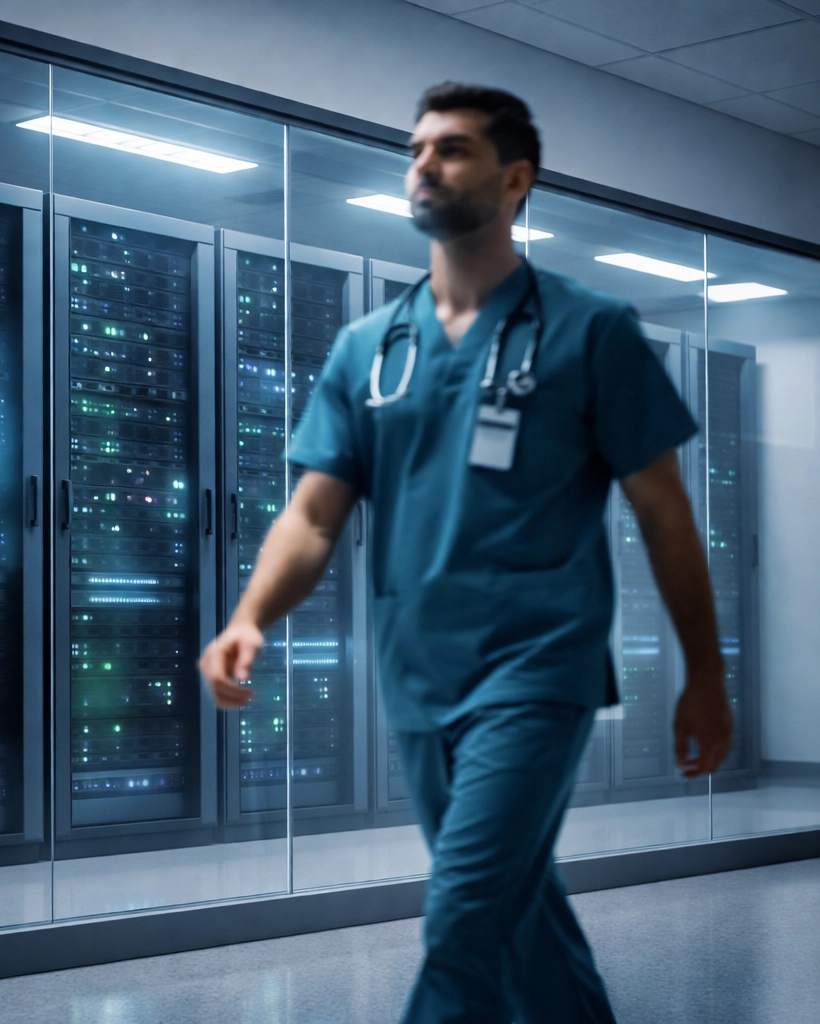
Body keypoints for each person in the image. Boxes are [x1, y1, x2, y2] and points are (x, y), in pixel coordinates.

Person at [197, 82, 733, 1024]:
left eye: (450, 149)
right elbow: (314, 516)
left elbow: (665, 514)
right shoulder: (371, 347)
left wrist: (704, 672)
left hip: (538, 668)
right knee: (519, 916)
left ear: (516, 177)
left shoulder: (589, 329)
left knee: (462, 924)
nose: (423, 166)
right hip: (418, 677)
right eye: (415, 150)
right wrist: (249, 616)